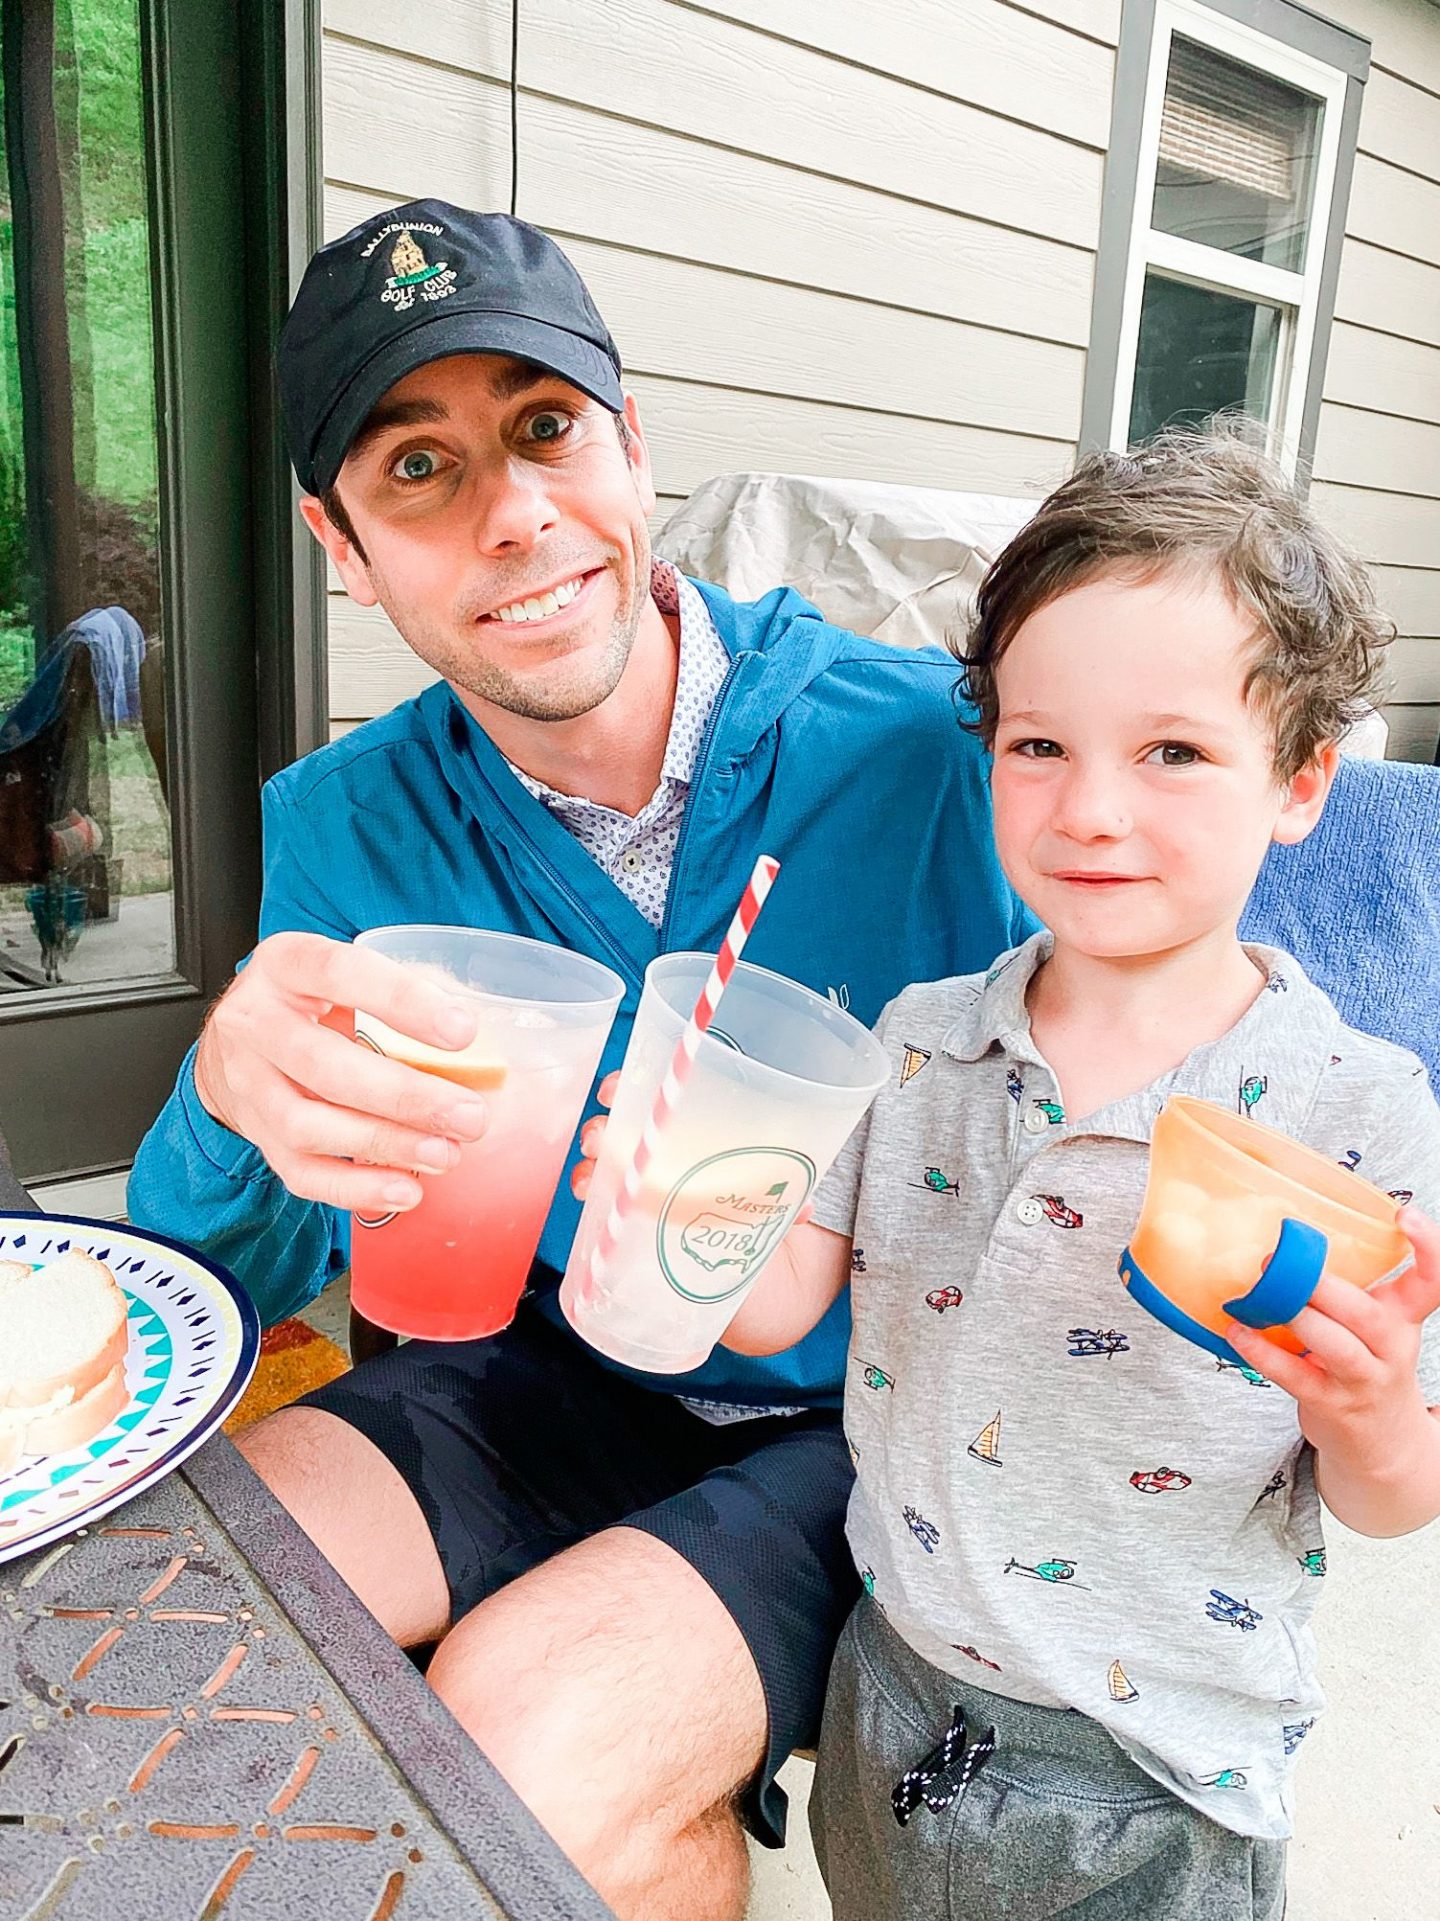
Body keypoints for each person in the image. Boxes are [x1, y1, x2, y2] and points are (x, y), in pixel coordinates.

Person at [125, 200, 1032, 1920]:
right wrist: (229, 1094)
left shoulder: (932, 748)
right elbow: (204, 1275)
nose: (515, 514)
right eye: (419, 468)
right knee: (176, 1611)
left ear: (632, 444)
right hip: (534, 1373)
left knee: (525, 1734)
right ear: (339, 538)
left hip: (863, 1424)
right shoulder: (344, 826)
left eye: (545, 428)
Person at [604, 433, 1440, 1919]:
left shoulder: (1353, 1113)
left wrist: (1369, 1410)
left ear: (1302, 778)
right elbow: (783, 1294)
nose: (1092, 808)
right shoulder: (921, 1040)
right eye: (1038, 744)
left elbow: (1390, 1495)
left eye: (1173, 750)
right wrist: (695, 1188)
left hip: (1154, 1774)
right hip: (898, 1683)